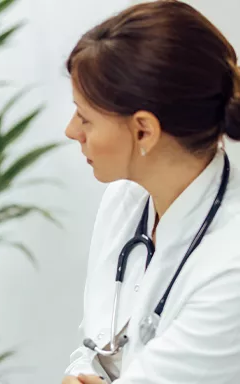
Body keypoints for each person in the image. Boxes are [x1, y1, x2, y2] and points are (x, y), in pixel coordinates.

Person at [61, 1, 240, 383]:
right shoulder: (126, 198)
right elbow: (97, 346)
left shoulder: (231, 268)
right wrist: (78, 372)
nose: (71, 131)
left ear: (144, 130)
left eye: (85, 117)